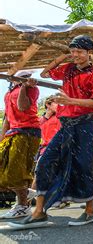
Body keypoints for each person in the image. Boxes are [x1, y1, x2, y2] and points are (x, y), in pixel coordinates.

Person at [10, 35, 93, 229]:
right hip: (66, 126)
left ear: (89, 53)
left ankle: (89, 212)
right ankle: (38, 212)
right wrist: (62, 56)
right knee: (45, 162)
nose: (75, 55)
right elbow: (45, 74)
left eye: (79, 51)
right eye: (73, 51)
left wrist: (71, 101)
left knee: (83, 167)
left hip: (84, 125)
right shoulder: (68, 69)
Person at [0, 71, 41, 219]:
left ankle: (23, 205)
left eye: (26, 78)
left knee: (16, 170)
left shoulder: (32, 88)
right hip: (12, 133)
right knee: (3, 168)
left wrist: (24, 85)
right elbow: (7, 118)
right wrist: (1, 139)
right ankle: (26, 193)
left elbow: (23, 107)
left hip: (28, 132)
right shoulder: (8, 93)